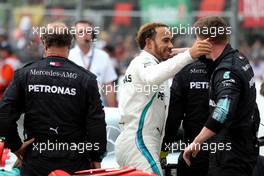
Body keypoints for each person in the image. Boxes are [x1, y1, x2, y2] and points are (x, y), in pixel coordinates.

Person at [0, 22, 106, 176]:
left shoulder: (25, 74)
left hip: (35, 159)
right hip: (74, 161)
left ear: (44, 44)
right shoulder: (86, 79)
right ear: (70, 44)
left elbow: (4, 115)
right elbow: (96, 124)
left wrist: (16, 147)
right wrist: (96, 157)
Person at [115, 22, 212, 176]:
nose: (171, 45)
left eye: (171, 40)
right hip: (139, 141)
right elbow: (153, 75)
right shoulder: (143, 62)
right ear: (148, 42)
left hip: (140, 141)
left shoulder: (153, 63)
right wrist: (189, 54)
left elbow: (163, 68)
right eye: (165, 40)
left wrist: (187, 51)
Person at [183, 16, 260, 176]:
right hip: (243, 147)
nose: (195, 46)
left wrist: (197, 141)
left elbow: (223, 111)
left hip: (231, 156)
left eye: (197, 40)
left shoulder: (227, 71)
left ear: (208, 41)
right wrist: (182, 53)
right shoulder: (238, 58)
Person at [162, 58, 211, 176]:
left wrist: (164, 150)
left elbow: (173, 118)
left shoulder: (185, 71)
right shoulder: (232, 68)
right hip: (227, 153)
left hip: (194, 152)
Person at [69, 20, 118, 107]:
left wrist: (112, 111)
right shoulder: (68, 56)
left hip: (97, 106)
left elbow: (109, 87)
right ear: (74, 36)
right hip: (73, 105)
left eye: (88, 31)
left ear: (92, 35)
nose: (84, 34)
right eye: (80, 32)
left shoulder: (103, 56)